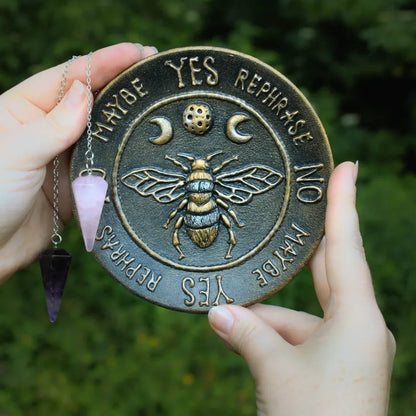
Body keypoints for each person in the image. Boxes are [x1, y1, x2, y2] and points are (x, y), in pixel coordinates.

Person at [0, 42, 395, 415]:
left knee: (196, 219)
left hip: (195, 219)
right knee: (219, 218)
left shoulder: (181, 181)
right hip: (203, 219)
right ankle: (220, 241)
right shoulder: (216, 181)